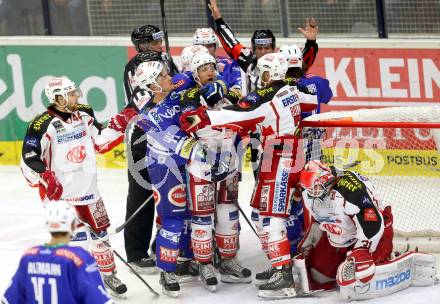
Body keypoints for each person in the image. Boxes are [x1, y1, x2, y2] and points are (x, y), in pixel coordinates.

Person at [180, 52, 318, 299]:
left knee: (272, 217)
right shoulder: (292, 89)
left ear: (267, 74)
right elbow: (312, 100)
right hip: (282, 153)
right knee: (259, 212)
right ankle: (279, 263)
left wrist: (203, 117)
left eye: (261, 73)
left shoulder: (264, 95)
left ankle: (283, 274)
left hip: (279, 155)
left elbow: (238, 114)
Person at [20, 76, 136, 297]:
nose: (77, 96)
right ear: (59, 98)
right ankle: (74, 281)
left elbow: (99, 141)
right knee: (75, 240)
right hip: (60, 194)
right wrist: (45, 176)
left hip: (89, 188)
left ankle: (108, 275)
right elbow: (29, 156)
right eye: (72, 93)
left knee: (101, 234)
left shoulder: (84, 112)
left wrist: (118, 127)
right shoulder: (41, 124)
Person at [296, 160, 436, 300]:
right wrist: (313, 233)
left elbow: (371, 220)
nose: (313, 193)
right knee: (319, 276)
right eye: (309, 189)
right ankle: (347, 258)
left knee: (362, 274)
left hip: (373, 231)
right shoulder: (308, 191)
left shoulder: (351, 189)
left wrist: (362, 250)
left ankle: (392, 259)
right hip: (340, 236)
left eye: (316, 188)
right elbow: (318, 216)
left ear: (326, 180)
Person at [134, 60, 208, 297]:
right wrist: (211, 154)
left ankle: (186, 260)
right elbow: (178, 144)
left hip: (188, 164)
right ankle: (167, 271)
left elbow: (195, 79)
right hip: (166, 168)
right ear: (153, 85)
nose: (170, 77)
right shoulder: (148, 117)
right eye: (164, 76)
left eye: (166, 73)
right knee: (173, 220)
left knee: (193, 215)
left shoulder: (176, 88)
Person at [180, 53, 252, 292]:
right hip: (203, 164)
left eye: (212, 66)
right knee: (202, 216)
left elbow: (242, 114)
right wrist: (207, 103)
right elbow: (186, 123)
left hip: (229, 161)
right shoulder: (188, 95)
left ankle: (228, 260)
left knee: (228, 213)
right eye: (203, 68)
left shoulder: (227, 90)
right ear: (194, 74)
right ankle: (204, 264)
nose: (209, 71)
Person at [122, 24, 174, 275]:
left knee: (169, 193)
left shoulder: (162, 60)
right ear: (142, 45)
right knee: (141, 193)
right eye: (154, 42)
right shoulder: (138, 66)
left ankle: (162, 244)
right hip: (143, 135)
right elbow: (143, 100)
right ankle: (135, 252)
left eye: (159, 39)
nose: (159, 44)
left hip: (166, 134)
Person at [2, 202, 114, 304]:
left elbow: (8, 300)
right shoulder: (78, 258)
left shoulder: (29, 256)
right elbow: (99, 300)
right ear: (73, 225)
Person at [192, 27, 243, 103]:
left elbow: (237, 90)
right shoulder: (191, 66)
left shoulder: (229, 64)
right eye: (201, 46)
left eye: (209, 46)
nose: (205, 50)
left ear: (215, 47)